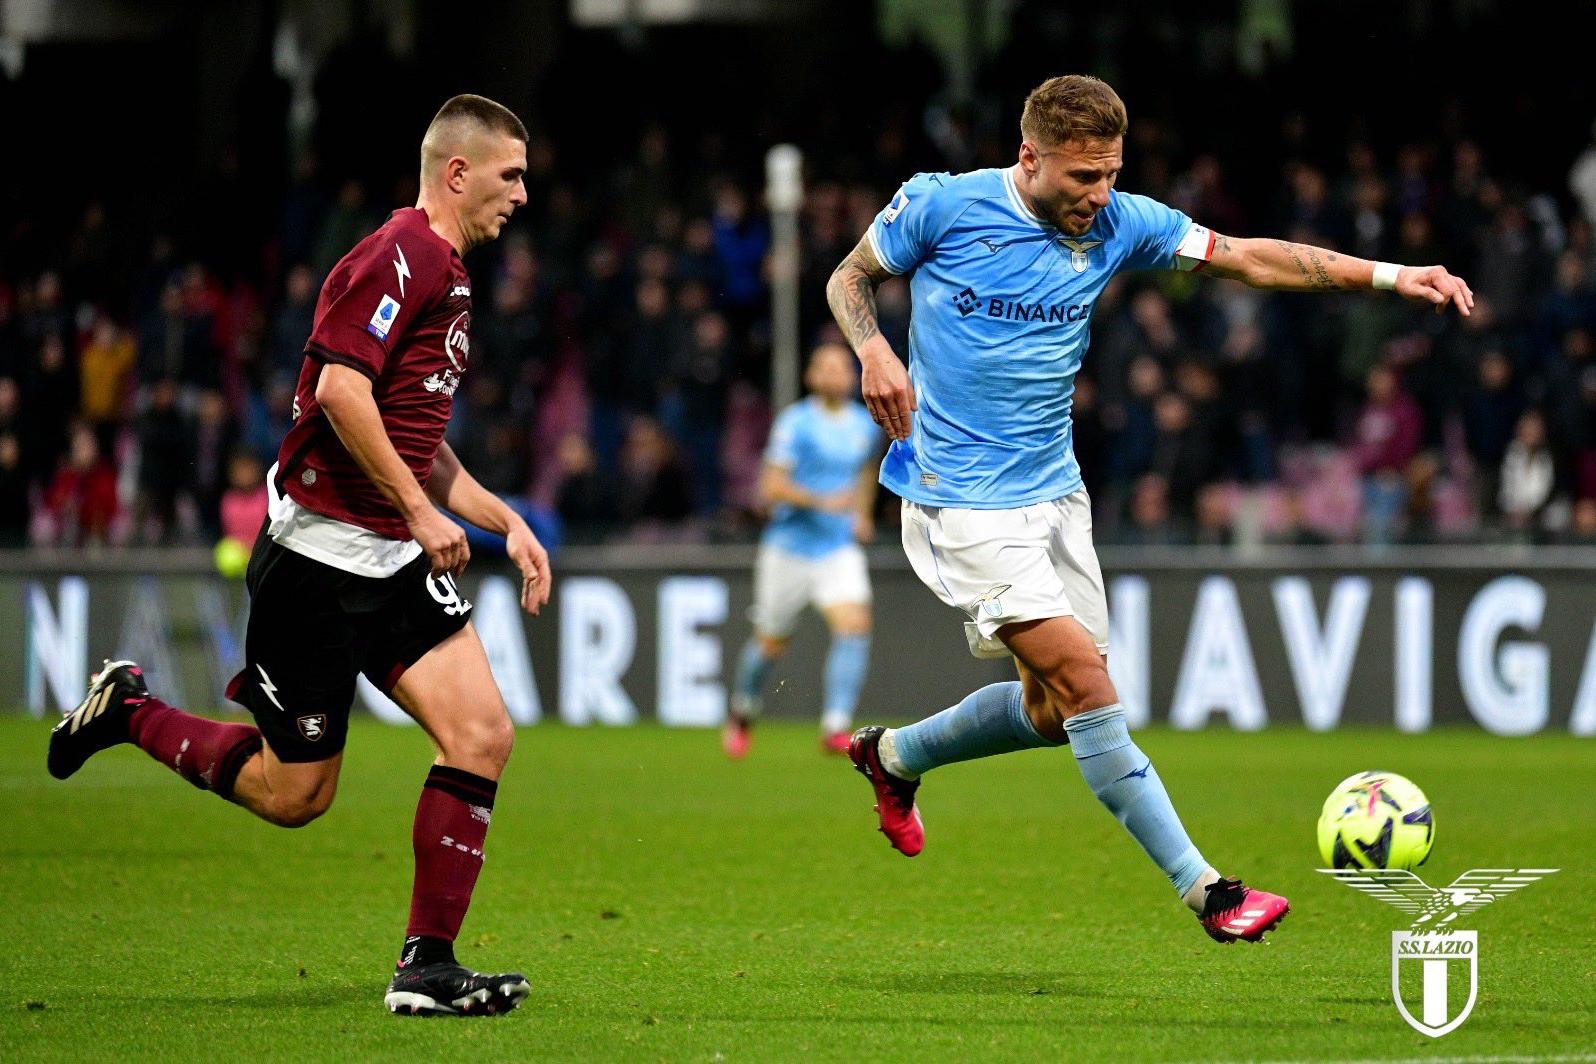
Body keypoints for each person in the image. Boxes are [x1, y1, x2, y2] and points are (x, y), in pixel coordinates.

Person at [826, 74, 1472, 944]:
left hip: (1055, 492)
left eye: (1111, 175)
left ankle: (893, 755)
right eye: (1081, 178)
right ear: (1030, 157)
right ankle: (1210, 893)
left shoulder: (1124, 222)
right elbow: (848, 278)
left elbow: (1252, 256)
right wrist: (872, 350)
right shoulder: (940, 207)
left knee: (1057, 713)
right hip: (958, 496)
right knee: (1091, 687)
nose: (1099, 196)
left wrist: (1395, 276)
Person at [48, 94, 552, 1015]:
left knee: (482, 734)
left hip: (391, 557)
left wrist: (495, 517)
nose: (522, 194)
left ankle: (427, 967)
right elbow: (338, 390)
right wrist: (415, 508)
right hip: (317, 563)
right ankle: (130, 711)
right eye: (510, 174)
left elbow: (415, 434)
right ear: (457, 171)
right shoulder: (403, 254)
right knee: (294, 796)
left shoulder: (448, 272)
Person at [724, 343, 881, 758]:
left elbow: (865, 472)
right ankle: (743, 708)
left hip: (836, 549)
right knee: (770, 644)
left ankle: (835, 725)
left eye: (841, 367)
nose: (834, 375)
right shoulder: (795, 423)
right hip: (788, 549)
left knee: (854, 625)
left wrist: (861, 515)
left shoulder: (864, 425)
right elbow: (770, 487)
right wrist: (820, 500)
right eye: (825, 367)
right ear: (811, 376)